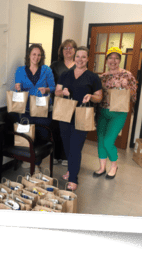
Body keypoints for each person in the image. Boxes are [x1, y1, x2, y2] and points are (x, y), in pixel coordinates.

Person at [55, 46, 103, 191]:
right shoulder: (65, 74)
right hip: (65, 116)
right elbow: (57, 92)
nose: (80, 59)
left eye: (83, 57)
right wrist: (62, 92)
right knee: (68, 146)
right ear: (74, 58)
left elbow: (99, 97)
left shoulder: (93, 77)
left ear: (88, 59)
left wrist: (91, 96)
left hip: (82, 116)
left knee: (75, 148)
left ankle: (73, 178)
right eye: (78, 56)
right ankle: (71, 169)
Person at [93, 46, 138, 179]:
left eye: (116, 58)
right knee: (100, 140)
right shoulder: (102, 77)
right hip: (103, 111)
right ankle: (102, 167)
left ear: (120, 60)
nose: (113, 61)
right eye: (110, 58)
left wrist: (126, 89)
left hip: (118, 113)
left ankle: (114, 165)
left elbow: (134, 95)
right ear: (106, 60)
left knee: (108, 141)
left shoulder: (127, 75)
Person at [14, 44, 56, 169]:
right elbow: (17, 92)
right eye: (34, 54)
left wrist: (46, 89)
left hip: (42, 109)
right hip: (26, 110)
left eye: (39, 55)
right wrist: (17, 88)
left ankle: (37, 163)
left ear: (41, 57)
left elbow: (53, 87)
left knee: (42, 135)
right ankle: (29, 159)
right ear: (29, 55)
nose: (36, 57)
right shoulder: (20, 70)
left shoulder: (46, 70)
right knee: (28, 136)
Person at [50, 39, 77, 166]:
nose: (68, 50)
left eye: (71, 48)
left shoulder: (79, 65)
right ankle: (55, 156)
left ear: (75, 50)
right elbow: (49, 82)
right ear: (61, 50)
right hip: (58, 102)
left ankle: (66, 156)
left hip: (73, 103)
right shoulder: (55, 65)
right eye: (65, 48)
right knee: (57, 130)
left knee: (70, 131)